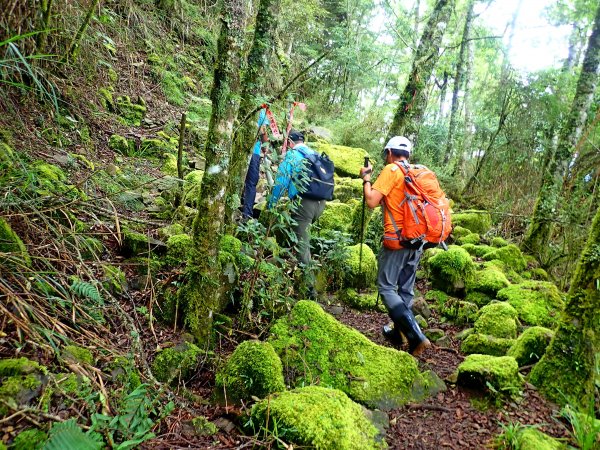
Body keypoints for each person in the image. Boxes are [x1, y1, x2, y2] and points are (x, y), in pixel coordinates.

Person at [359, 136, 431, 356]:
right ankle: (399, 332)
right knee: (405, 289)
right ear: (408, 154)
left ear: (389, 153)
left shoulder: (392, 171)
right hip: (418, 240)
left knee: (387, 287)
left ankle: (416, 337)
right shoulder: (419, 172)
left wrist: (366, 179)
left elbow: (371, 201)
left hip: (397, 239)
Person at [267, 130, 326, 299]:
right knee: (299, 234)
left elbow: (281, 180)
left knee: (302, 245)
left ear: (291, 142)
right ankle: (294, 271)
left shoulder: (293, 155)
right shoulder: (314, 154)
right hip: (321, 203)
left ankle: (310, 292)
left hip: (305, 203)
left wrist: (272, 204)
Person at [241, 109, 270, 220]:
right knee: (251, 183)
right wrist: (265, 147)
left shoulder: (243, 103)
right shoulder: (261, 110)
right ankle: (247, 215)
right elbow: (263, 130)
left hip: (239, 149)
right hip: (254, 152)